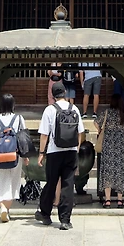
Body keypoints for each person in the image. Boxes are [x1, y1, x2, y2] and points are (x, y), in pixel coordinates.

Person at [37, 81, 85, 230]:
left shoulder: (49, 110)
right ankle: (65, 219)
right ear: (65, 93)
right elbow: (80, 132)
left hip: (54, 151)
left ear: (53, 95)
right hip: (71, 152)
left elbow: (44, 134)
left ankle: (45, 214)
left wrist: (41, 153)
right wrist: (76, 148)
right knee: (68, 185)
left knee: (51, 183)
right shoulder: (74, 108)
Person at [0, 93, 28, 222]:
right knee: (13, 182)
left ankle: (3, 207)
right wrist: (25, 156)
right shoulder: (19, 118)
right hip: (15, 156)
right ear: (13, 104)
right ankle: (6, 209)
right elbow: (23, 138)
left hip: (0, 156)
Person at [94, 93, 124, 208]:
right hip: (120, 145)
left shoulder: (107, 113)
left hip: (108, 144)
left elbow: (95, 122)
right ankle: (120, 200)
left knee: (107, 171)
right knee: (120, 171)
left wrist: (101, 130)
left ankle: (108, 200)